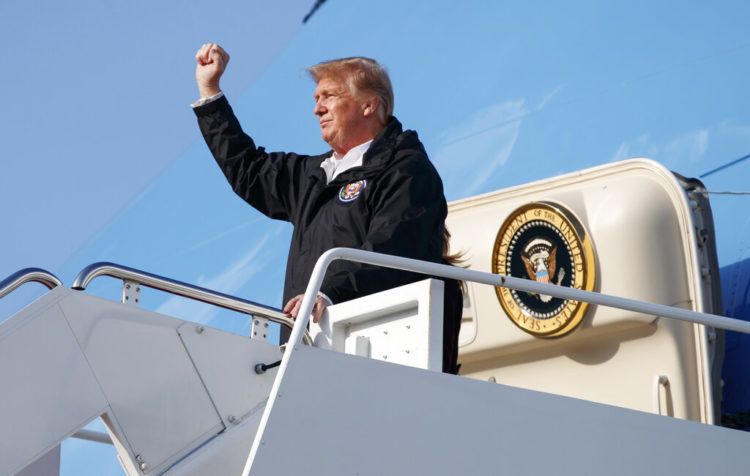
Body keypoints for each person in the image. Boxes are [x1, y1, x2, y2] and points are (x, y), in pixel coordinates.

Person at [193, 43, 462, 373]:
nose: (317, 109)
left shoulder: (407, 170)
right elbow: (248, 170)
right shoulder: (313, 175)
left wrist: (329, 292)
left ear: (369, 105)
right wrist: (211, 93)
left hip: (378, 360)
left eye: (329, 96)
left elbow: (395, 248)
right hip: (307, 354)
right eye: (316, 99)